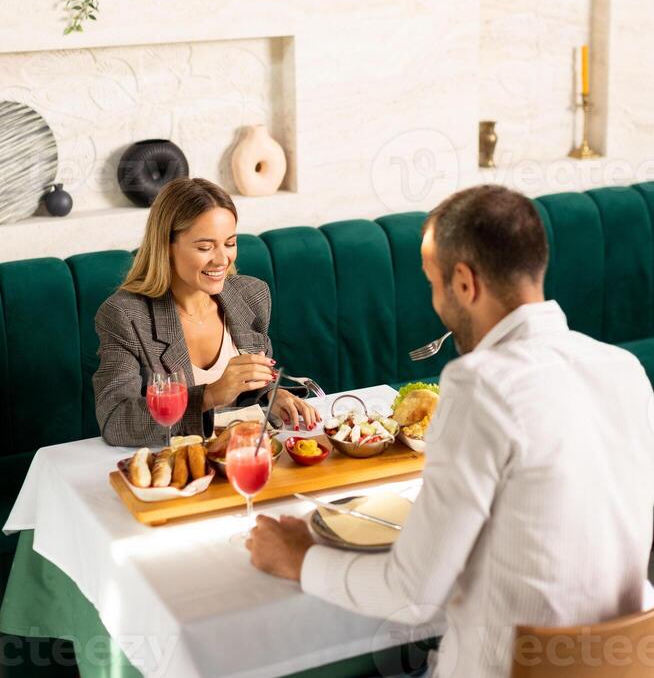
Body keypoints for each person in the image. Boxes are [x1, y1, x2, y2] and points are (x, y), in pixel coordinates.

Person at [247, 184, 654, 677]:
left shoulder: (479, 383)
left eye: (433, 283)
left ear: (464, 282)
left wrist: (299, 560)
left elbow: (412, 594)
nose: (436, 301)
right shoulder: (624, 369)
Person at [93, 177, 318, 446]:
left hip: (243, 458)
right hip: (178, 471)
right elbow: (115, 420)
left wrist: (270, 395)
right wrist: (209, 396)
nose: (222, 259)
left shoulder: (251, 296)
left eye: (230, 243)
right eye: (205, 247)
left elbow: (247, 389)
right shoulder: (126, 316)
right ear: (166, 246)